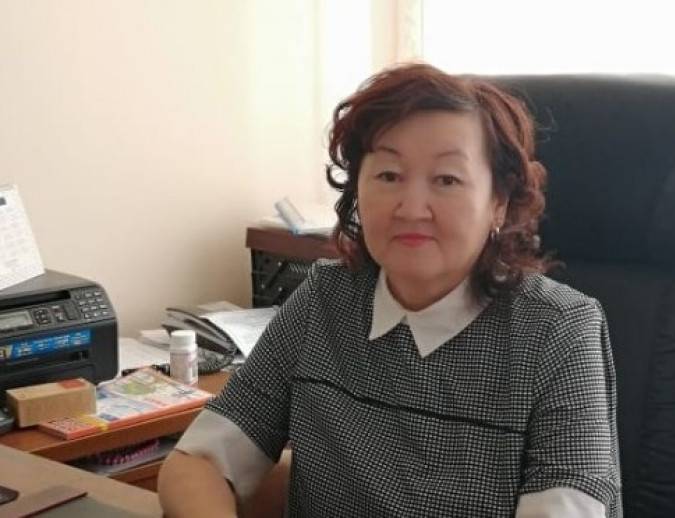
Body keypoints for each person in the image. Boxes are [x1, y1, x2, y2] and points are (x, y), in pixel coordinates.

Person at [158, 63, 622, 517]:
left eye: (446, 180)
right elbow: (198, 462)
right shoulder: (325, 298)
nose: (411, 208)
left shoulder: (558, 330)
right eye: (389, 176)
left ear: (498, 201)